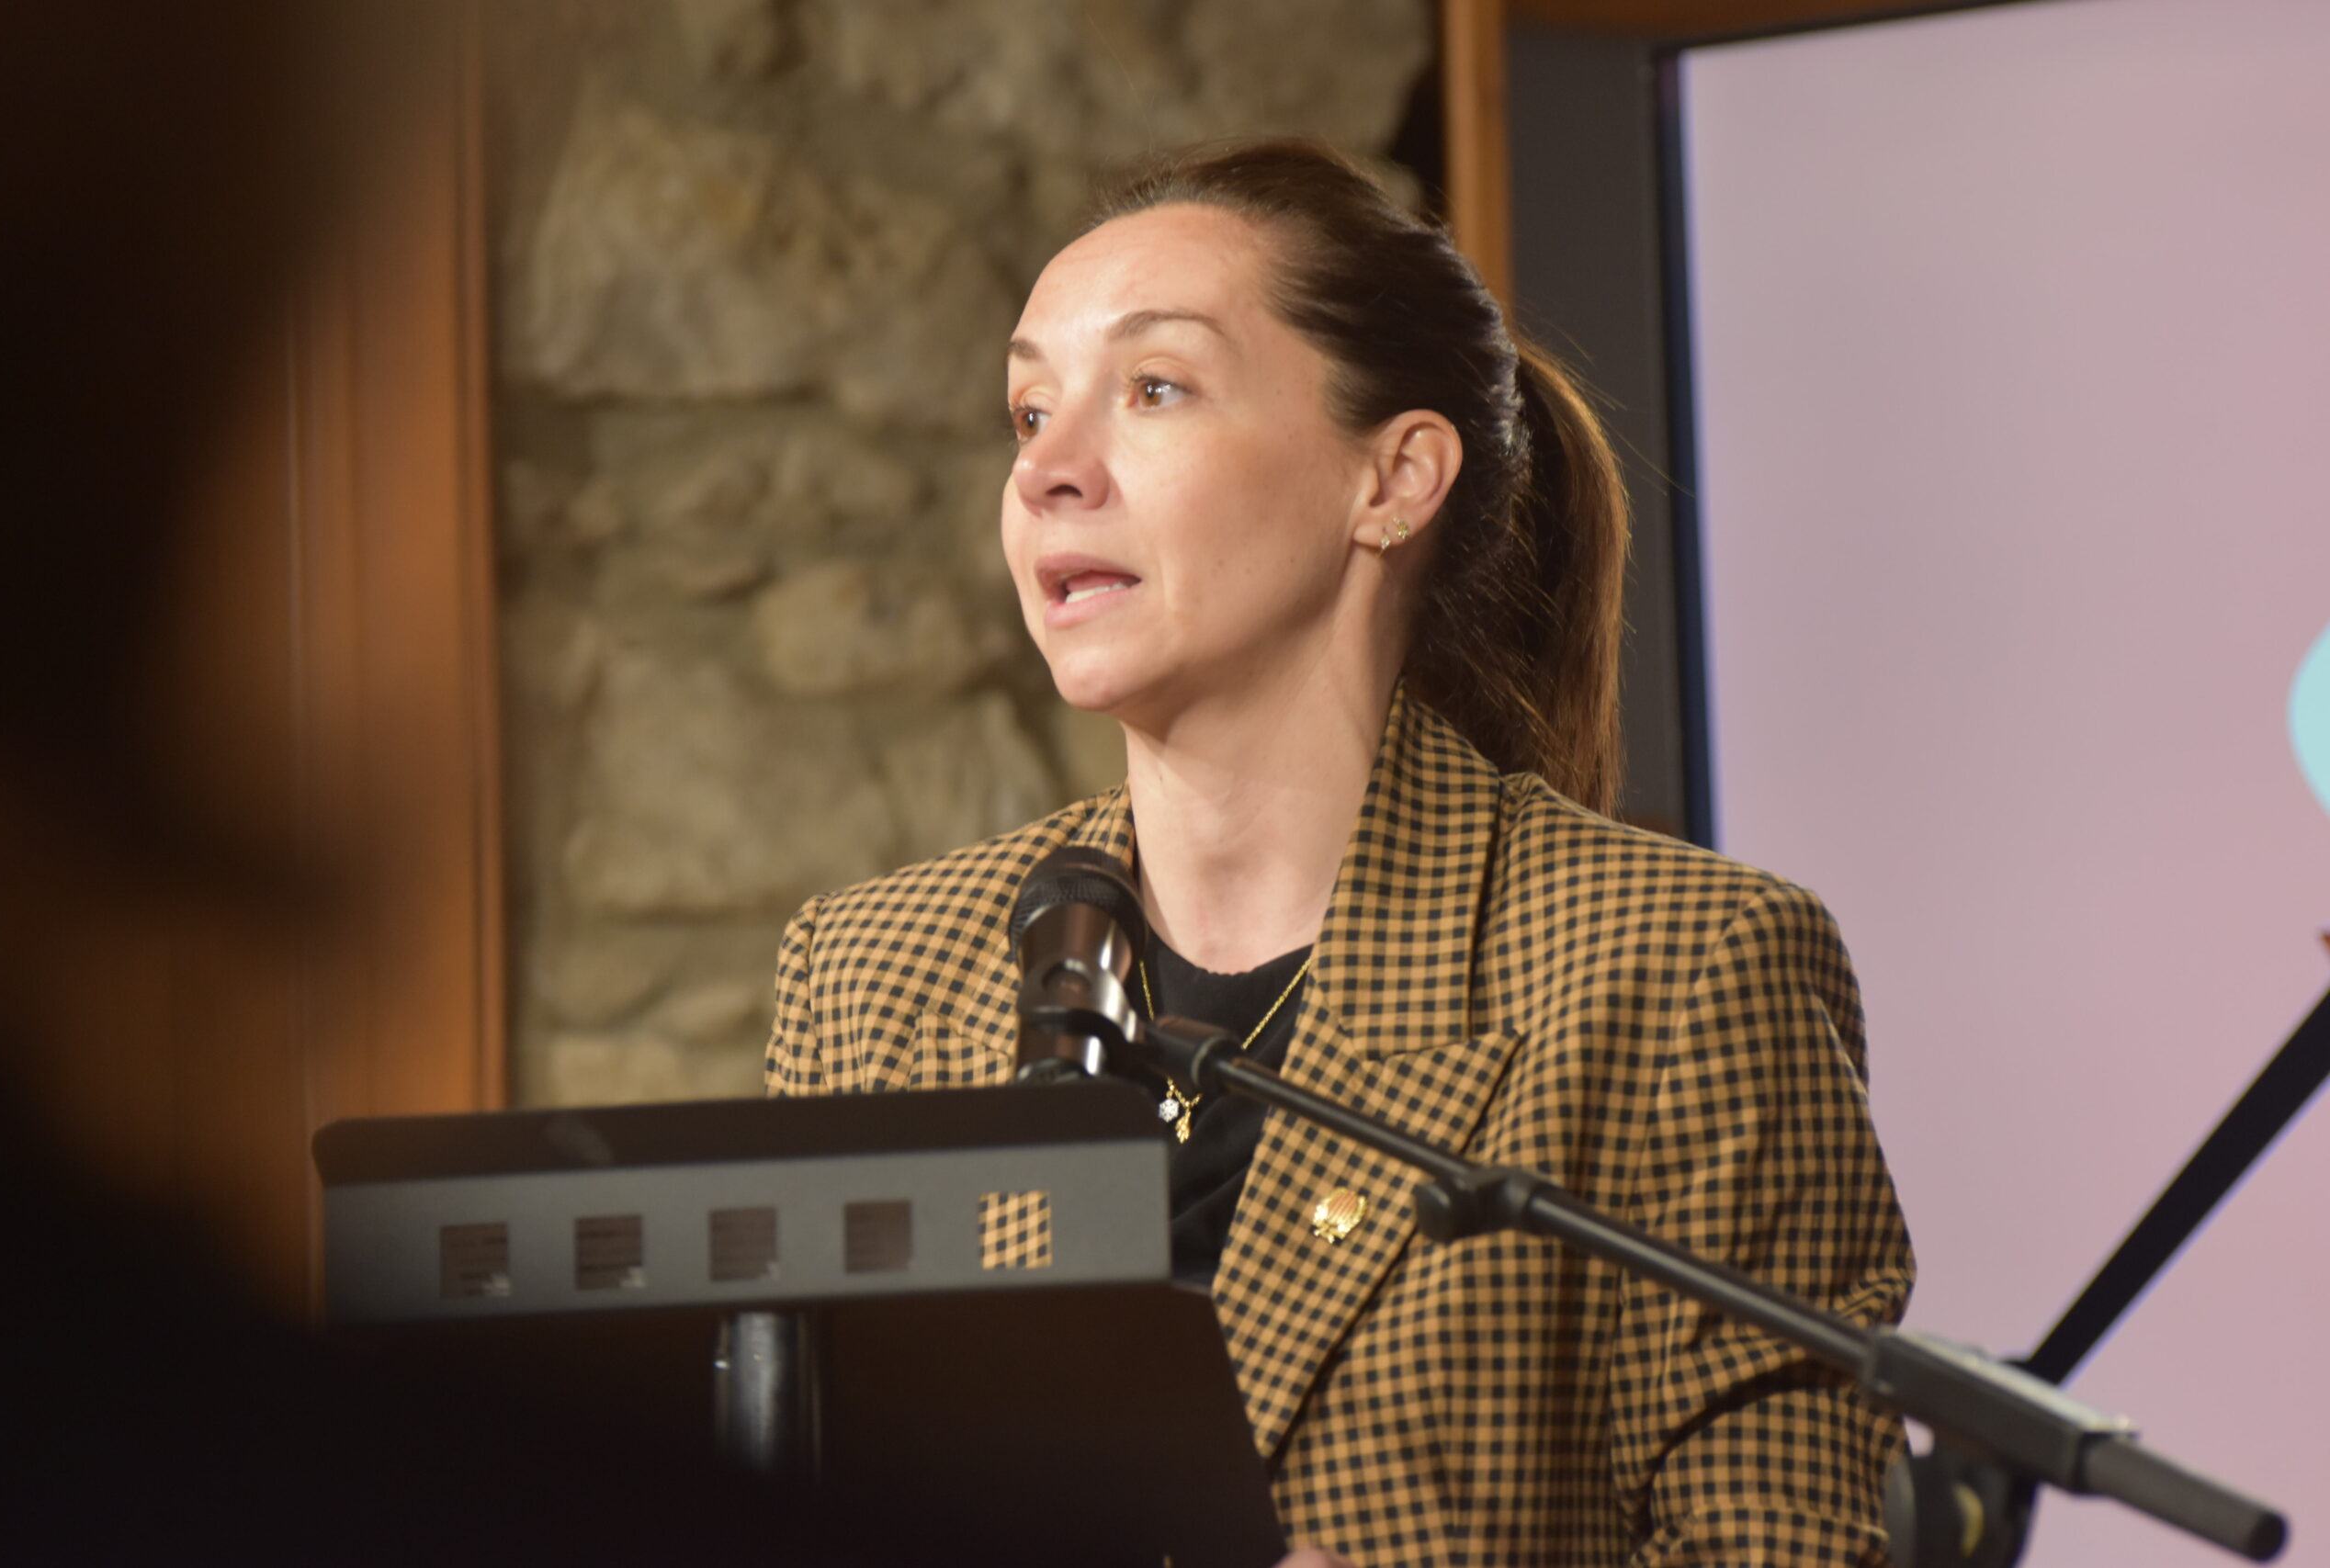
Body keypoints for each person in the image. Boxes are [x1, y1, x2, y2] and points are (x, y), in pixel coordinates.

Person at [764, 140, 1914, 1567]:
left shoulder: (1676, 971)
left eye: (1155, 389)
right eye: (1030, 411)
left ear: (1394, 478)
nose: (1048, 471)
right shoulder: (874, 979)